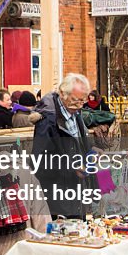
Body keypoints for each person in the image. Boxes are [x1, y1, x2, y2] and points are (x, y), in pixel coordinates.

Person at [31, 72, 94, 218]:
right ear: (62, 94)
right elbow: (39, 162)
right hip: (57, 199)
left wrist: (90, 150)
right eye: (75, 100)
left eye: (82, 101)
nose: (79, 105)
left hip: (76, 195)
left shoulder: (75, 114)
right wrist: (73, 167)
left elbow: (75, 148)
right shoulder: (47, 120)